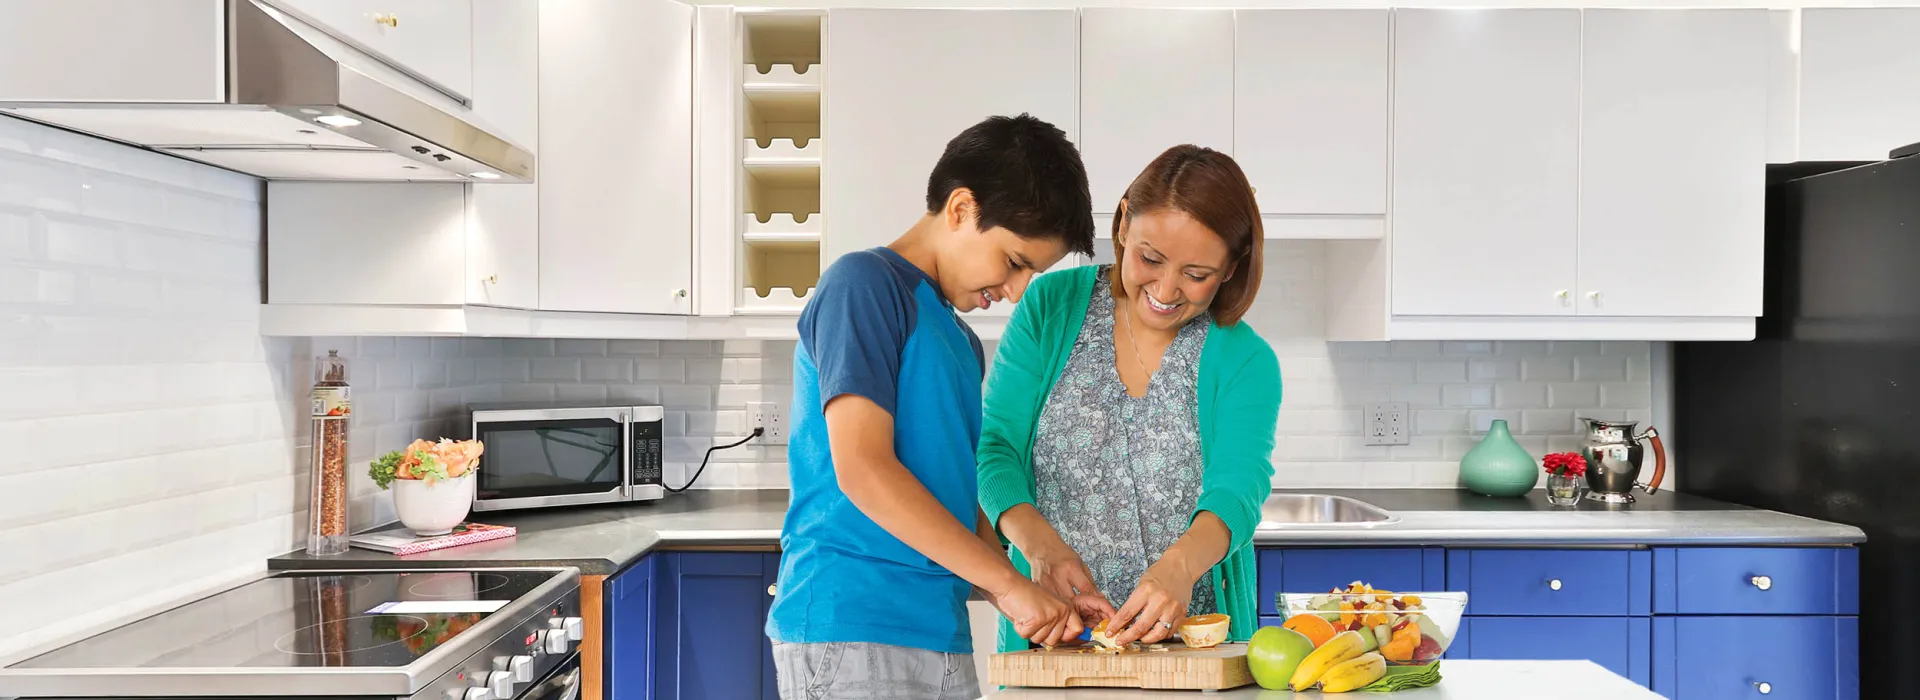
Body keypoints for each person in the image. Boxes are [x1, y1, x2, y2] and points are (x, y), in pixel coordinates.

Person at [766, 114, 1102, 700]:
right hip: (852, 625)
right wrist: (1007, 583)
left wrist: (1025, 586)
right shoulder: (863, 286)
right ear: (961, 209)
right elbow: (864, 471)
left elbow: (950, 494)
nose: (1018, 291)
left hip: (935, 634)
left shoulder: (958, 338)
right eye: (1015, 261)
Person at [977, 144, 1283, 654]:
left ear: (1230, 269)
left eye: (1197, 274)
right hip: (1057, 642)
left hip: (1195, 650)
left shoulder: (1246, 360)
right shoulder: (1049, 307)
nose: (1165, 288)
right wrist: (1044, 551)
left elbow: (1238, 491)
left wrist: (1179, 569)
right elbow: (996, 449)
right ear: (1122, 224)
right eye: (1151, 258)